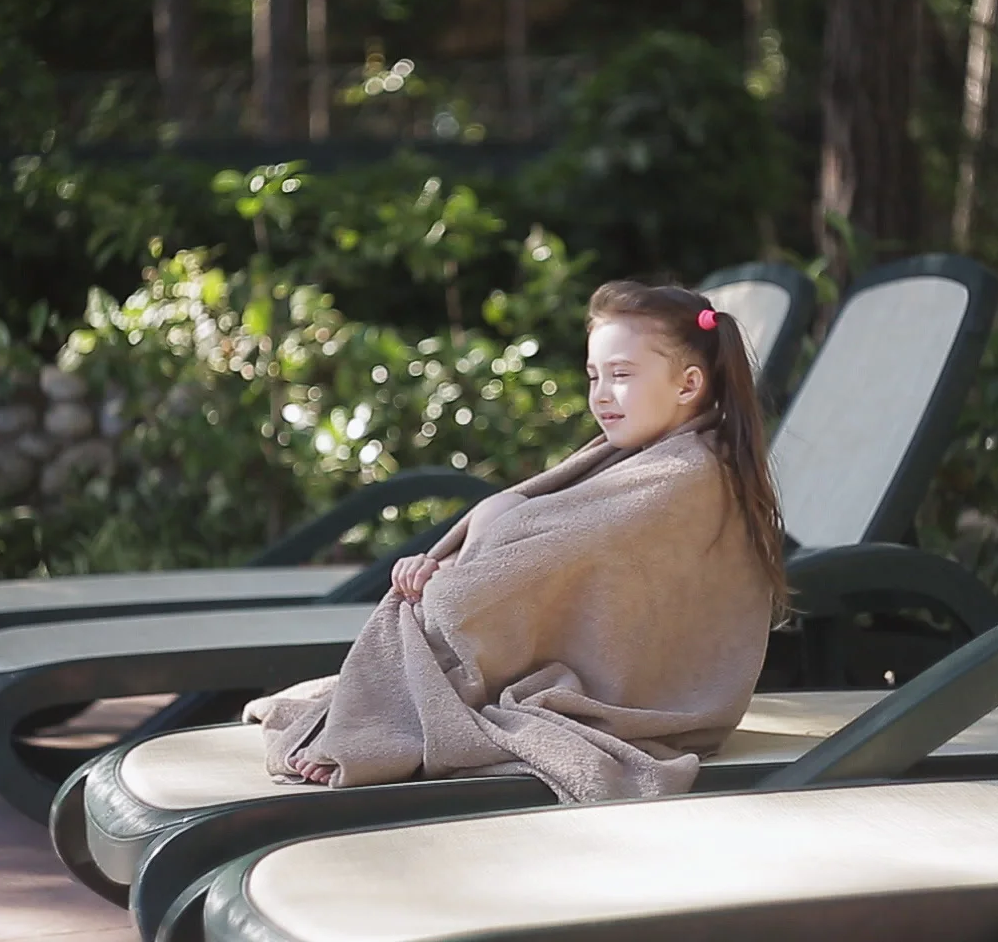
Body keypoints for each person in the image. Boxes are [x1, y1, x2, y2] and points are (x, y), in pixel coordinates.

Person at [266, 280, 786, 800]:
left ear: (688, 384)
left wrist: (455, 582)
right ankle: (410, 680)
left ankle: (400, 701)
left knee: (491, 535)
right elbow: (567, 541)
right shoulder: (660, 454)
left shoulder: (684, 476)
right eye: (593, 376)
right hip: (631, 671)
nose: (601, 394)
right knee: (500, 513)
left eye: (621, 375)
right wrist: (464, 558)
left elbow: (574, 551)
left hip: (654, 693)